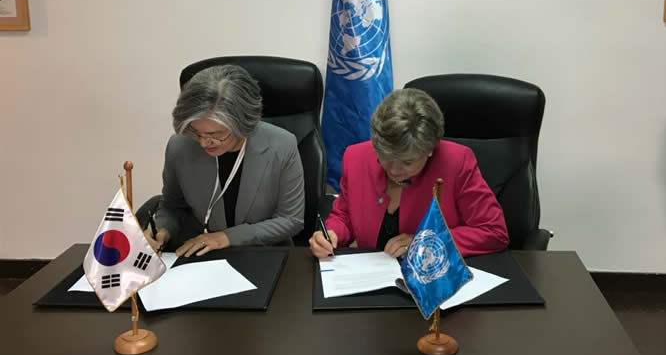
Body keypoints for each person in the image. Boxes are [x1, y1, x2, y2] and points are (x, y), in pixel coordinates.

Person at [309, 88, 508, 258]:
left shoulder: (456, 162)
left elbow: (493, 232)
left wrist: (426, 243)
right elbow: (344, 216)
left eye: (408, 162)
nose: (394, 170)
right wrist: (331, 234)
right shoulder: (356, 157)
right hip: (373, 281)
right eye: (385, 157)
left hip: (432, 281)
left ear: (431, 150)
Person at [147, 64, 305, 257]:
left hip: (263, 253)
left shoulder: (282, 145)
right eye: (197, 132)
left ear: (243, 123)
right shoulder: (180, 145)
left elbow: (291, 220)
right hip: (201, 254)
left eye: (217, 134)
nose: (205, 143)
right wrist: (162, 230)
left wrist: (226, 237)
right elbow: (172, 206)